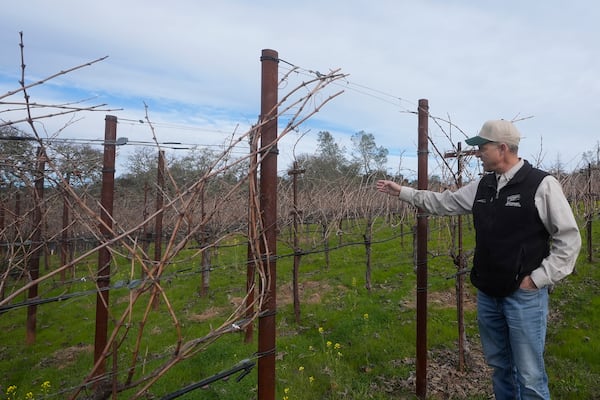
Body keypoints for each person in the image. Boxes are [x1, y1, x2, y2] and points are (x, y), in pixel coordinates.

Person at [377, 119, 581, 399]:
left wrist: (538, 278)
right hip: (487, 294)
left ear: (503, 148)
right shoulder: (483, 186)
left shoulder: (541, 184)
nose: (477, 153)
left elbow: (568, 238)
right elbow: (444, 203)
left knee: (530, 373)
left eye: (482, 147)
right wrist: (403, 192)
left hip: (524, 296)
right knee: (500, 367)